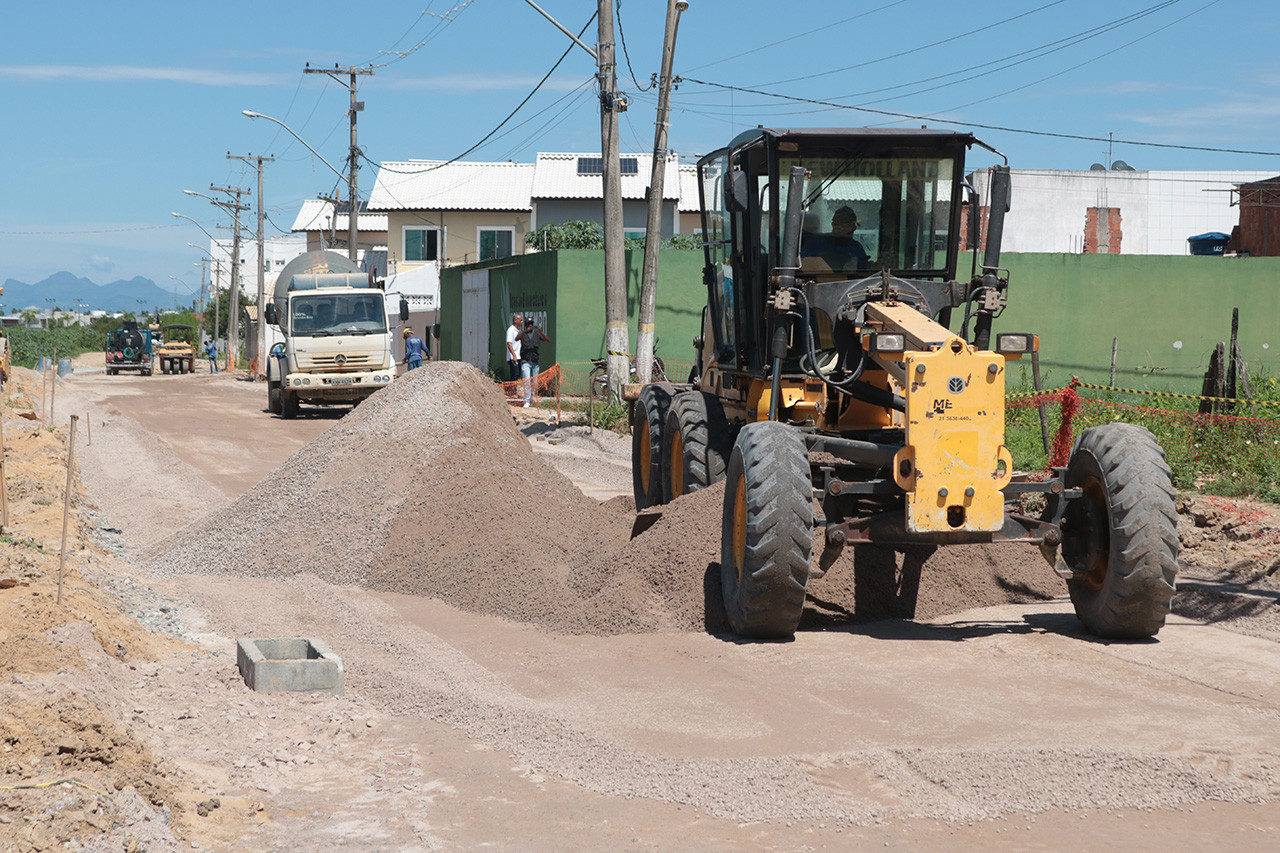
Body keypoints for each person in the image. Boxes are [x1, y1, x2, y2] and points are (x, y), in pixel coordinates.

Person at [804, 206, 869, 273]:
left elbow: (863, 274)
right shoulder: (815, 243)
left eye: (849, 225)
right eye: (841, 224)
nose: (843, 228)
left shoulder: (857, 248)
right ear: (833, 224)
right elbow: (803, 266)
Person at [515, 319, 551, 408]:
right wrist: (524, 332)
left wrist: (541, 332)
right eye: (528, 325)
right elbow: (516, 339)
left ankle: (531, 397)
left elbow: (548, 340)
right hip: (525, 361)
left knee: (534, 382)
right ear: (526, 325)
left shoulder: (537, 334)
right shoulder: (523, 334)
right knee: (526, 380)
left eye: (531, 324)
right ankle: (526, 400)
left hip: (535, 361)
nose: (530, 326)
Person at [505, 313, 523, 385]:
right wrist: (514, 355)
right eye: (520, 320)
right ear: (515, 321)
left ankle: (513, 391)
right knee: (515, 375)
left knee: (518, 375)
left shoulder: (518, 331)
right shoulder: (510, 330)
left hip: (518, 356)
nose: (522, 322)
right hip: (513, 358)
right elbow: (509, 343)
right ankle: (512, 392)